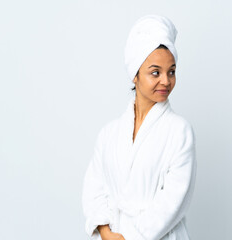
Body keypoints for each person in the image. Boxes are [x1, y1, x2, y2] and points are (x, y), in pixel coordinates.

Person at [82, 14, 197, 240]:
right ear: (135, 74)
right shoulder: (109, 134)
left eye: (171, 71)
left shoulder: (179, 131)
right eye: (156, 72)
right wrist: (106, 232)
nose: (166, 80)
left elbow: (173, 201)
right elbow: (93, 189)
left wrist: (128, 237)